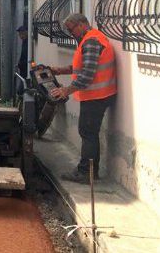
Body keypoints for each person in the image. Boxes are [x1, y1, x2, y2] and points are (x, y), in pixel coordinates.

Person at [48, 13, 117, 184]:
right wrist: (60, 70)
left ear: (82, 24)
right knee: (89, 133)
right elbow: (81, 66)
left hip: (96, 96)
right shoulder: (89, 40)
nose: (71, 33)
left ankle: (86, 173)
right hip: (99, 95)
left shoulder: (91, 41)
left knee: (88, 133)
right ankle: (88, 171)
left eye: (71, 29)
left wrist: (66, 91)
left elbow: (86, 75)